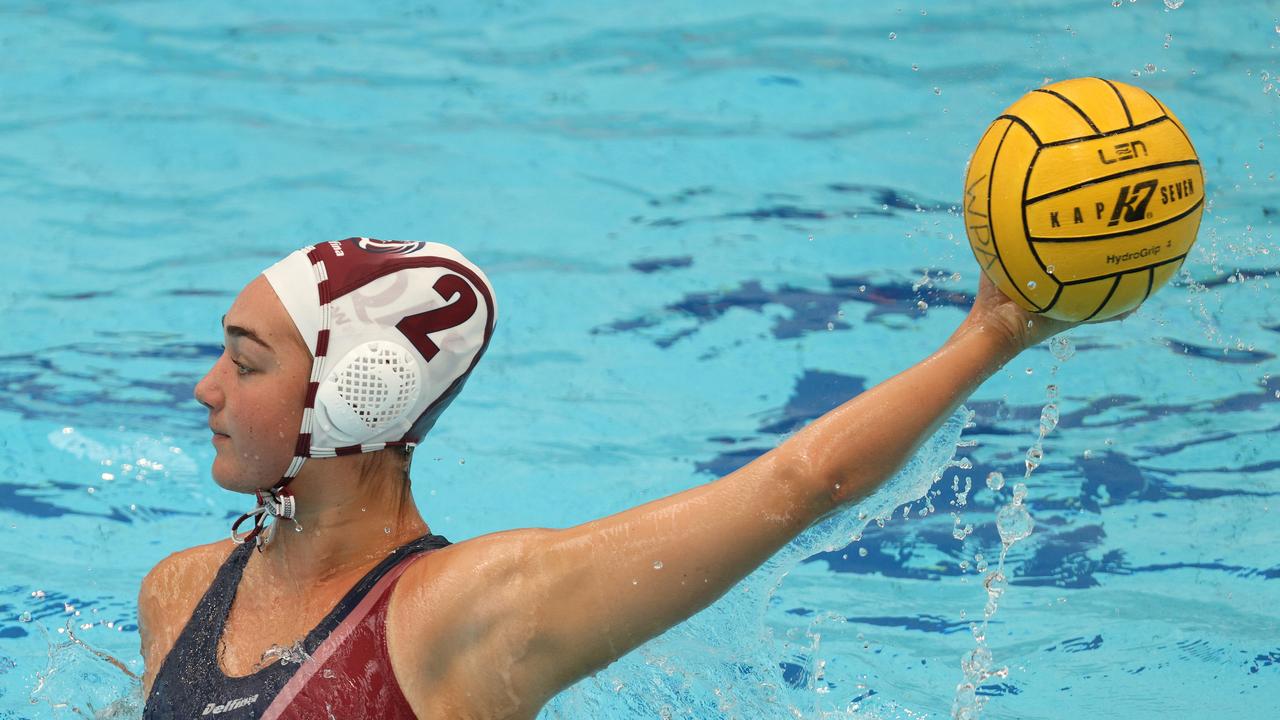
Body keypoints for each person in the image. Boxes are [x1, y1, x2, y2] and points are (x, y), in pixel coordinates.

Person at [138, 236, 1121, 719]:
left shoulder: (470, 617)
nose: (205, 388)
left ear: (359, 394)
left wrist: (991, 334)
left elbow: (795, 486)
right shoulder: (177, 595)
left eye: (247, 361)